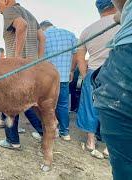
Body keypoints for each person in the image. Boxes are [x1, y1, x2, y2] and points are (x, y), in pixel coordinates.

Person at [0, 0, 45, 149]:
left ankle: (12, 141)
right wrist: (39, 60)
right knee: (27, 102)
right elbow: (42, 38)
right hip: (32, 67)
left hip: (17, 68)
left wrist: (16, 59)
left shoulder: (10, 11)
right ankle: (44, 132)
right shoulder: (30, 14)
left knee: (8, 102)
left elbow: (21, 25)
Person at [76, 0, 120, 159]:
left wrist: (84, 74)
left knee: (90, 106)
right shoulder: (123, 23)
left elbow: (80, 56)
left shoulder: (88, 30)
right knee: (115, 108)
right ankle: (109, 146)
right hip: (116, 70)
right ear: (114, 5)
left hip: (93, 72)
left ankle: (90, 141)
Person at [93, 0, 132, 178]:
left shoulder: (89, 29)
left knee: (125, 165)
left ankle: (91, 141)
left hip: (124, 64)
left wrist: (123, 12)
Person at [38, 20, 78, 141]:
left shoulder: (41, 36)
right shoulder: (70, 34)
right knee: (63, 104)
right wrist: (71, 70)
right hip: (63, 77)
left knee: (47, 105)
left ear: (43, 28)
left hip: (46, 79)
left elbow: (38, 58)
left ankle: (51, 130)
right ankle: (65, 132)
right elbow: (75, 54)